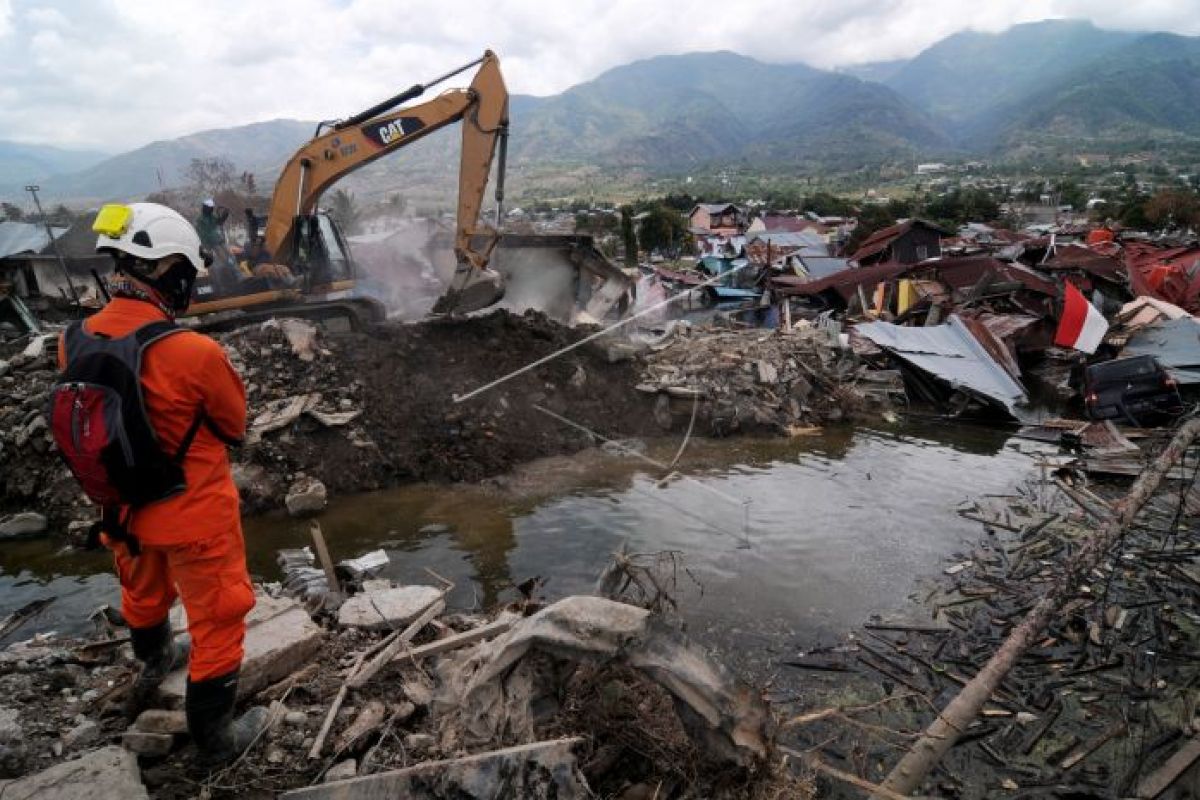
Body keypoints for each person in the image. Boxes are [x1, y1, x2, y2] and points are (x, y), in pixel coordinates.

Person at [57, 202, 267, 765]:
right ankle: (218, 743)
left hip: (122, 513)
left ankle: (154, 661)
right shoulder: (193, 352)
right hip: (194, 517)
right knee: (219, 618)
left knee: (143, 593)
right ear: (170, 268)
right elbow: (233, 426)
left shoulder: (72, 339)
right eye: (187, 274)